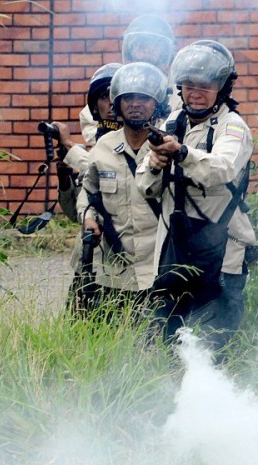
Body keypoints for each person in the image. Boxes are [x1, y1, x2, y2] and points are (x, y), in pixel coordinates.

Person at [135, 41, 256, 354]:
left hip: (222, 245)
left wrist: (182, 153)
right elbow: (145, 185)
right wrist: (155, 165)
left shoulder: (234, 128)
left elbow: (223, 168)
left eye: (206, 86)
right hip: (177, 245)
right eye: (189, 85)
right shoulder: (172, 123)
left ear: (222, 88)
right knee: (165, 334)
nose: (196, 93)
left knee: (213, 339)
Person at [75, 61, 170, 304]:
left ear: (156, 104)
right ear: (118, 104)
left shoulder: (171, 146)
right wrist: (87, 217)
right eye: (128, 98)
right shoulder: (103, 148)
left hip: (160, 269)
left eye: (144, 98)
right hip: (114, 272)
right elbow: (89, 193)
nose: (135, 104)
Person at [79, 14, 176, 145]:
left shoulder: (178, 92)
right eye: (140, 46)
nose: (146, 53)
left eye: (153, 47)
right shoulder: (118, 83)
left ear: (166, 53)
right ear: (130, 50)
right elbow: (90, 122)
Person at [53, 62, 123, 222]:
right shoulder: (97, 145)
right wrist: (65, 179)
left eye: (116, 95)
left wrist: (69, 146)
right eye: (105, 97)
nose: (111, 103)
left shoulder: (140, 139)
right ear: (95, 107)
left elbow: (111, 173)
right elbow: (74, 214)